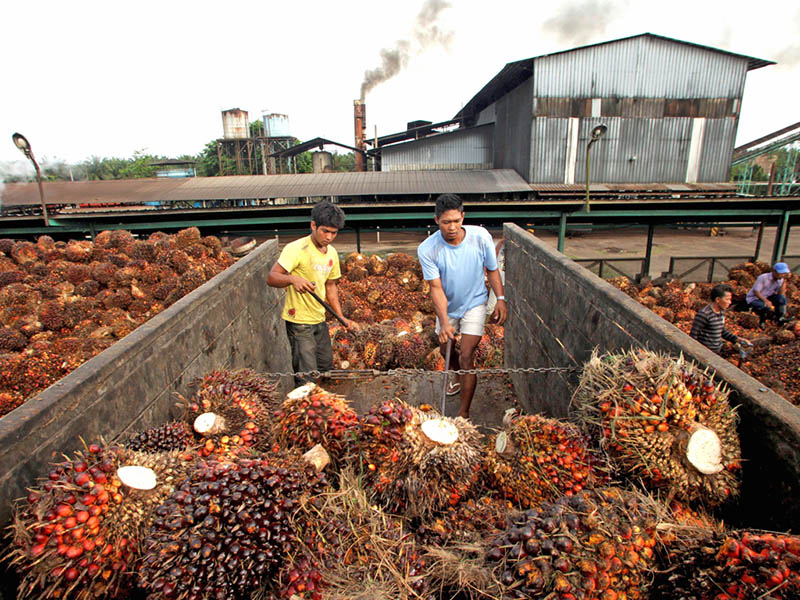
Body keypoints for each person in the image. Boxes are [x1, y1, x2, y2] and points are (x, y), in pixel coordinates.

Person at [417, 193, 507, 419]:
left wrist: (501, 299)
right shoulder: (428, 249)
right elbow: (435, 288)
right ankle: (457, 374)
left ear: (463, 217)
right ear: (437, 220)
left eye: (457, 221)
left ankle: (463, 412)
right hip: (447, 305)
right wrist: (445, 322)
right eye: (446, 222)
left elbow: (492, 269)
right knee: (445, 349)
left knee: (467, 355)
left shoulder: (481, 237)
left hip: (475, 302)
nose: (452, 227)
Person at [266, 200, 357, 386]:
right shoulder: (296, 249)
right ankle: (303, 408)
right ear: (313, 225)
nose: (329, 237)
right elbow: (272, 277)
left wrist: (341, 318)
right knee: (306, 372)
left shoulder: (331, 253)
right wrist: (292, 279)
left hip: (319, 318)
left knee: (325, 367)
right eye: (325, 231)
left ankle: (323, 402)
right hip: (299, 321)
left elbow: (331, 287)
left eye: (334, 233)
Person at [690, 284, 747, 354]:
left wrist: (738, 339)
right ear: (718, 299)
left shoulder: (721, 312)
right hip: (704, 354)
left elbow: (721, 331)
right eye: (727, 299)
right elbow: (693, 338)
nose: (730, 302)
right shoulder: (704, 315)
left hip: (715, 353)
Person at [746, 262, 791, 329]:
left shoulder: (780, 280)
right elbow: (756, 291)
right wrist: (766, 301)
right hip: (755, 298)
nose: (782, 275)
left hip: (768, 296)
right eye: (781, 273)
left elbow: (781, 293)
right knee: (764, 306)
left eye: (784, 273)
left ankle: (781, 318)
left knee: (782, 298)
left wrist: (784, 281)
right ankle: (762, 321)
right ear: (774, 271)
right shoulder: (763, 277)